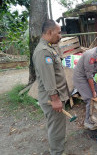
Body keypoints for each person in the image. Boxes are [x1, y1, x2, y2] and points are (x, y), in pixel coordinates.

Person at [33, 19, 69, 155]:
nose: (60, 36)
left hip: (55, 96)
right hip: (52, 98)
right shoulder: (43, 52)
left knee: (56, 125)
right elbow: (48, 79)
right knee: (56, 127)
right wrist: (55, 99)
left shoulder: (48, 47)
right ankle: (57, 151)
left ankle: (57, 145)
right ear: (49, 32)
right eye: (58, 33)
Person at [73, 35, 97, 130]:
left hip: (88, 77)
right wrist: (93, 91)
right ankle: (88, 121)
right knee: (90, 98)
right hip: (81, 78)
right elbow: (89, 76)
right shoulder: (91, 55)